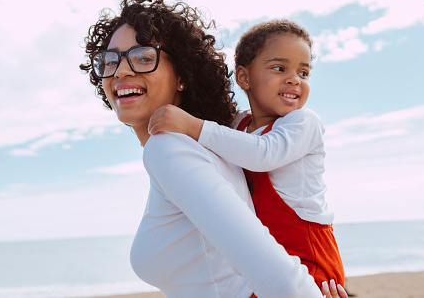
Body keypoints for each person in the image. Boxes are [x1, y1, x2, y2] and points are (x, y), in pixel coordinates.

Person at [80, 0, 348, 298]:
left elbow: (281, 279)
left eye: (143, 57)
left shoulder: (169, 148)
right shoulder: (215, 146)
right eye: (110, 60)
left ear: (183, 75)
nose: (122, 69)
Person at [148, 19, 345, 290]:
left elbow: (263, 153)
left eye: (304, 72)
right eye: (279, 68)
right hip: (269, 255)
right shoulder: (237, 126)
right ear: (244, 77)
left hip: (308, 253)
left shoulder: (303, 123)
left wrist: (193, 126)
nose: (294, 79)